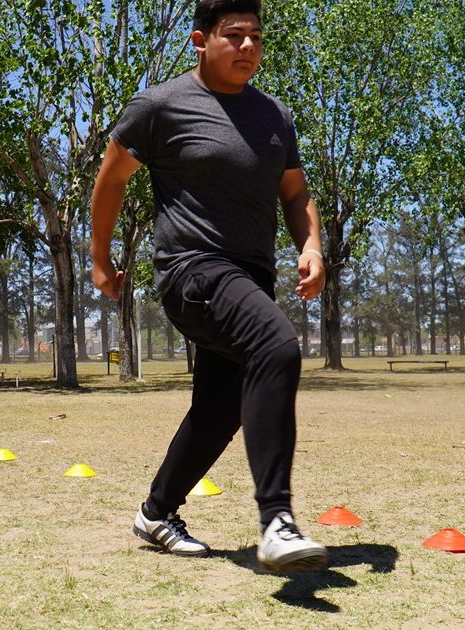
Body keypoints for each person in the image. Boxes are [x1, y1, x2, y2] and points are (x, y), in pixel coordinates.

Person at [91, 0, 328, 573]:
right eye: (234, 35)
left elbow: (294, 194)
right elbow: (112, 178)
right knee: (276, 346)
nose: (248, 47)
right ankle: (277, 519)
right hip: (191, 271)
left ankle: (156, 512)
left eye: (256, 37)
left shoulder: (274, 115)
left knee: (221, 407)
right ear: (201, 39)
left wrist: (311, 244)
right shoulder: (161, 105)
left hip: (251, 276)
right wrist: (100, 258)